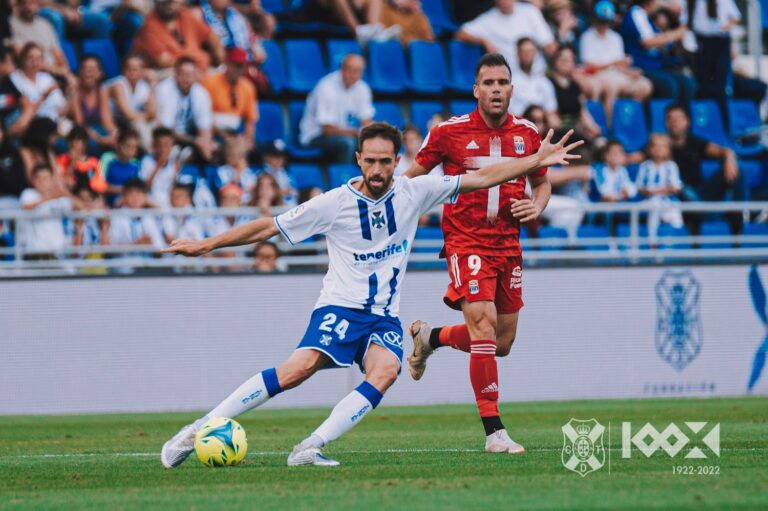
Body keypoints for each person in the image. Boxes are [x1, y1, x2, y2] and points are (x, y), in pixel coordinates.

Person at [160, 121, 581, 468]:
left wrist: (534, 161)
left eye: (385, 161)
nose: (377, 169)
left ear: (398, 163)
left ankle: (309, 447)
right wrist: (205, 245)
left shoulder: (414, 192)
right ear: (358, 159)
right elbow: (267, 226)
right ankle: (201, 426)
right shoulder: (333, 203)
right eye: (370, 161)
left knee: (385, 372)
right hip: (340, 306)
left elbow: (483, 177)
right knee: (298, 369)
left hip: (382, 316)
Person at [404, 53, 553, 453]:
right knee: (483, 324)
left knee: (500, 343)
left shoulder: (527, 134)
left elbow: (542, 184)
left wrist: (537, 206)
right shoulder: (448, 132)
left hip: (508, 245)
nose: (496, 89)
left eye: (502, 82)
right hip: (465, 241)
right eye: (488, 83)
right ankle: (494, 432)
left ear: (511, 89)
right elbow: (411, 179)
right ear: (476, 89)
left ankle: (430, 338)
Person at [664, 104, 744, 235]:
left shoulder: (695, 142)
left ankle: (738, 216)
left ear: (687, 121)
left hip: (701, 193)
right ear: (666, 123)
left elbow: (724, 151)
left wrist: (729, 157)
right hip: (679, 196)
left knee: (738, 167)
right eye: (670, 119)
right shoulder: (660, 146)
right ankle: (720, 215)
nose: (674, 122)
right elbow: (635, 157)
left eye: (678, 118)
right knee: (684, 190)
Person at [578, 0, 653, 126]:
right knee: (612, 85)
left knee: (645, 85)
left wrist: (630, 71)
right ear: (594, 19)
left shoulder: (616, 37)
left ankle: (630, 121)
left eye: (607, 22)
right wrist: (615, 63)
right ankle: (610, 125)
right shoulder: (587, 37)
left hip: (617, 74)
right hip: (598, 75)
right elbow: (589, 66)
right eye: (601, 21)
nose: (604, 25)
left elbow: (619, 65)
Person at [299, 54, 374, 164]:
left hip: (346, 134)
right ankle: (344, 178)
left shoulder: (362, 88)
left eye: (357, 71)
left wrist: (368, 132)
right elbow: (327, 129)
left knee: (372, 142)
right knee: (347, 143)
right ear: (342, 69)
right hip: (314, 136)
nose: (353, 74)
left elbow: (366, 120)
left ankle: (367, 180)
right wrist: (356, 133)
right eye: (350, 70)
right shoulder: (326, 87)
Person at [621, 0, 697, 103]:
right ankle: (662, 117)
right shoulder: (637, 13)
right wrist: (675, 34)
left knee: (688, 84)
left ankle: (682, 117)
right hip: (641, 65)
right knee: (669, 85)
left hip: (658, 66)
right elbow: (647, 42)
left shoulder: (651, 18)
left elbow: (665, 43)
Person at [456, 0, 556, 74]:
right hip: (510, 78)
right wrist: (483, 41)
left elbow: (549, 44)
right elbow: (460, 34)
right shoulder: (487, 19)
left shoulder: (530, 11)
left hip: (539, 74)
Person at [132, 0, 223, 73]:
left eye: (172, 2)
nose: (169, 5)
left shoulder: (184, 14)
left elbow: (210, 36)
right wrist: (198, 58)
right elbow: (164, 61)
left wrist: (219, 59)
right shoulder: (149, 26)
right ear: (157, 3)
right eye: (165, 2)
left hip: (198, 67)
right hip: (166, 74)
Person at [155, 57, 214, 161]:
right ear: (175, 75)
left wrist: (205, 145)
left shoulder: (201, 93)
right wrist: (195, 141)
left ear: (195, 76)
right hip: (167, 136)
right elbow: (166, 130)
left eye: (190, 75)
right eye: (183, 74)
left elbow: (205, 128)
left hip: (190, 137)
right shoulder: (164, 89)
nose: (186, 79)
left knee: (214, 149)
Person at [200, 47, 259, 148]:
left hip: (234, 132)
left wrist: (247, 141)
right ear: (227, 64)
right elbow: (202, 115)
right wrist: (225, 137)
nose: (237, 70)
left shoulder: (248, 87)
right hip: (212, 131)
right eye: (234, 65)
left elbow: (250, 120)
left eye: (240, 66)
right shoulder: (209, 81)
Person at [18, 164, 74, 258]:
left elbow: (75, 207)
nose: (42, 182)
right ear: (33, 181)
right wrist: (51, 197)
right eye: (39, 178)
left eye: (46, 178)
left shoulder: (58, 196)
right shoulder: (28, 193)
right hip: (35, 253)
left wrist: (66, 193)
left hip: (57, 252)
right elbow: (26, 207)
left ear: (52, 179)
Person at [636, 133, 684, 242]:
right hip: (649, 201)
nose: (659, 149)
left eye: (662, 146)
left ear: (668, 150)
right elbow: (639, 187)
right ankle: (652, 241)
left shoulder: (671, 166)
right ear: (649, 149)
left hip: (667, 201)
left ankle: (675, 241)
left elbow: (676, 187)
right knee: (653, 206)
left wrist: (660, 191)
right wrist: (651, 191)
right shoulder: (644, 166)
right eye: (655, 146)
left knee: (674, 213)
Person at [547, 45, 602, 140]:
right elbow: (552, 119)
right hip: (557, 132)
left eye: (569, 59)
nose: (565, 61)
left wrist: (593, 128)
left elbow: (583, 111)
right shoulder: (547, 83)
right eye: (561, 58)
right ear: (555, 60)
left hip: (576, 130)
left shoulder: (575, 85)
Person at [10, 0, 72, 79]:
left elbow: (58, 53)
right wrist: (54, 69)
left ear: (38, 5)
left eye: (31, 3)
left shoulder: (45, 24)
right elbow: (22, 55)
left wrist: (65, 71)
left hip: (55, 72)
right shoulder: (12, 24)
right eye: (24, 3)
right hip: (34, 73)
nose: (28, 7)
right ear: (18, 5)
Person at [107, 54, 157, 151]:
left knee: (156, 124)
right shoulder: (118, 85)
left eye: (136, 69)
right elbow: (127, 114)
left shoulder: (144, 85)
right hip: (118, 122)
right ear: (123, 70)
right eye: (129, 69)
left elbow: (152, 112)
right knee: (139, 125)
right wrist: (146, 116)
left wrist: (152, 84)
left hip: (133, 120)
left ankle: (170, 151)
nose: (132, 72)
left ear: (142, 71)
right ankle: (152, 152)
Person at [508, 38, 560, 130]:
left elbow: (551, 110)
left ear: (535, 53)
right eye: (524, 51)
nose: (527, 54)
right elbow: (508, 113)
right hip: (519, 127)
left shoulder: (544, 82)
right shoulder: (510, 82)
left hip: (543, 125)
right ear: (518, 54)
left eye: (530, 51)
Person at [69, 54, 118, 151]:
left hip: (98, 128)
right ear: (80, 72)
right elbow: (80, 123)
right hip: (80, 132)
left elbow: (106, 120)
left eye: (92, 69)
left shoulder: (102, 90)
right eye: (85, 69)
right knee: (92, 145)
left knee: (118, 141)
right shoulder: (75, 91)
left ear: (100, 73)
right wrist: (99, 139)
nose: (88, 72)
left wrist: (115, 133)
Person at [10, 42, 68, 122]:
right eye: (30, 58)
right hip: (30, 125)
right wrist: (44, 96)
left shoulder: (47, 78)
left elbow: (62, 107)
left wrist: (71, 95)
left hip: (55, 122)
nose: (35, 62)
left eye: (38, 58)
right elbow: (26, 114)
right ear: (23, 59)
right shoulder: (14, 79)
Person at [57, 125, 108, 194]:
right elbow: (63, 183)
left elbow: (101, 186)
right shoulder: (62, 159)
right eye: (72, 140)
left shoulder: (94, 162)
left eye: (78, 141)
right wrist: (72, 162)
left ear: (84, 143)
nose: (74, 144)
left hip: (91, 196)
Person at [139, 126, 181, 209]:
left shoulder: (174, 163)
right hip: (151, 204)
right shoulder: (147, 161)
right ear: (154, 146)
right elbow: (145, 187)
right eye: (160, 145)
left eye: (167, 145)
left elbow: (175, 187)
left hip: (169, 205)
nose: (163, 149)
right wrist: (157, 166)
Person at [101, 127, 141, 206]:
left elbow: (139, 190)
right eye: (127, 146)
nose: (130, 150)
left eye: (134, 147)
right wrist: (123, 190)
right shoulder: (107, 158)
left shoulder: (136, 164)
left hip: (129, 206)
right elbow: (100, 185)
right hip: (109, 206)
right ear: (119, 144)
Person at [213, 135, 258, 203]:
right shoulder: (221, 171)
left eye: (242, 154)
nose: (242, 158)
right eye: (238, 154)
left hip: (249, 206)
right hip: (231, 207)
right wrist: (238, 172)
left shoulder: (249, 172)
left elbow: (253, 190)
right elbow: (226, 192)